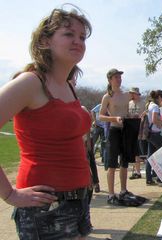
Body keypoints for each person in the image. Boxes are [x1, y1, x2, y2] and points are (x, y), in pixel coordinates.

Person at [0, 6, 93, 239]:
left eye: (82, 36)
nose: (78, 41)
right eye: (68, 34)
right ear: (45, 40)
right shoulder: (31, 82)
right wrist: (9, 194)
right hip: (46, 208)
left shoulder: (68, 86)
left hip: (78, 201)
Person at [99, 68, 138, 205]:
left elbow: (133, 106)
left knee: (125, 162)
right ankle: (110, 193)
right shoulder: (107, 96)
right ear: (110, 80)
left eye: (120, 77)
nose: (119, 79)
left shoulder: (127, 95)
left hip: (126, 131)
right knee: (112, 164)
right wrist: (115, 118)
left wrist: (132, 116)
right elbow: (101, 116)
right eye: (116, 77)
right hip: (114, 131)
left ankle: (123, 190)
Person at [146, 90, 162, 185]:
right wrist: (160, 124)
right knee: (161, 156)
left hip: (150, 134)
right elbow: (154, 119)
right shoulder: (155, 106)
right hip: (155, 134)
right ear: (159, 97)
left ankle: (149, 178)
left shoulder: (149, 105)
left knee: (150, 156)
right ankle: (159, 178)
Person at [128, 87, 145, 180]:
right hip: (131, 130)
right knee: (135, 152)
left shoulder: (143, 104)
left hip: (141, 130)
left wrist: (140, 117)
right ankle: (137, 172)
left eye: (133, 93)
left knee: (142, 151)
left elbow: (145, 115)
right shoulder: (129, 104)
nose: (131, 95)